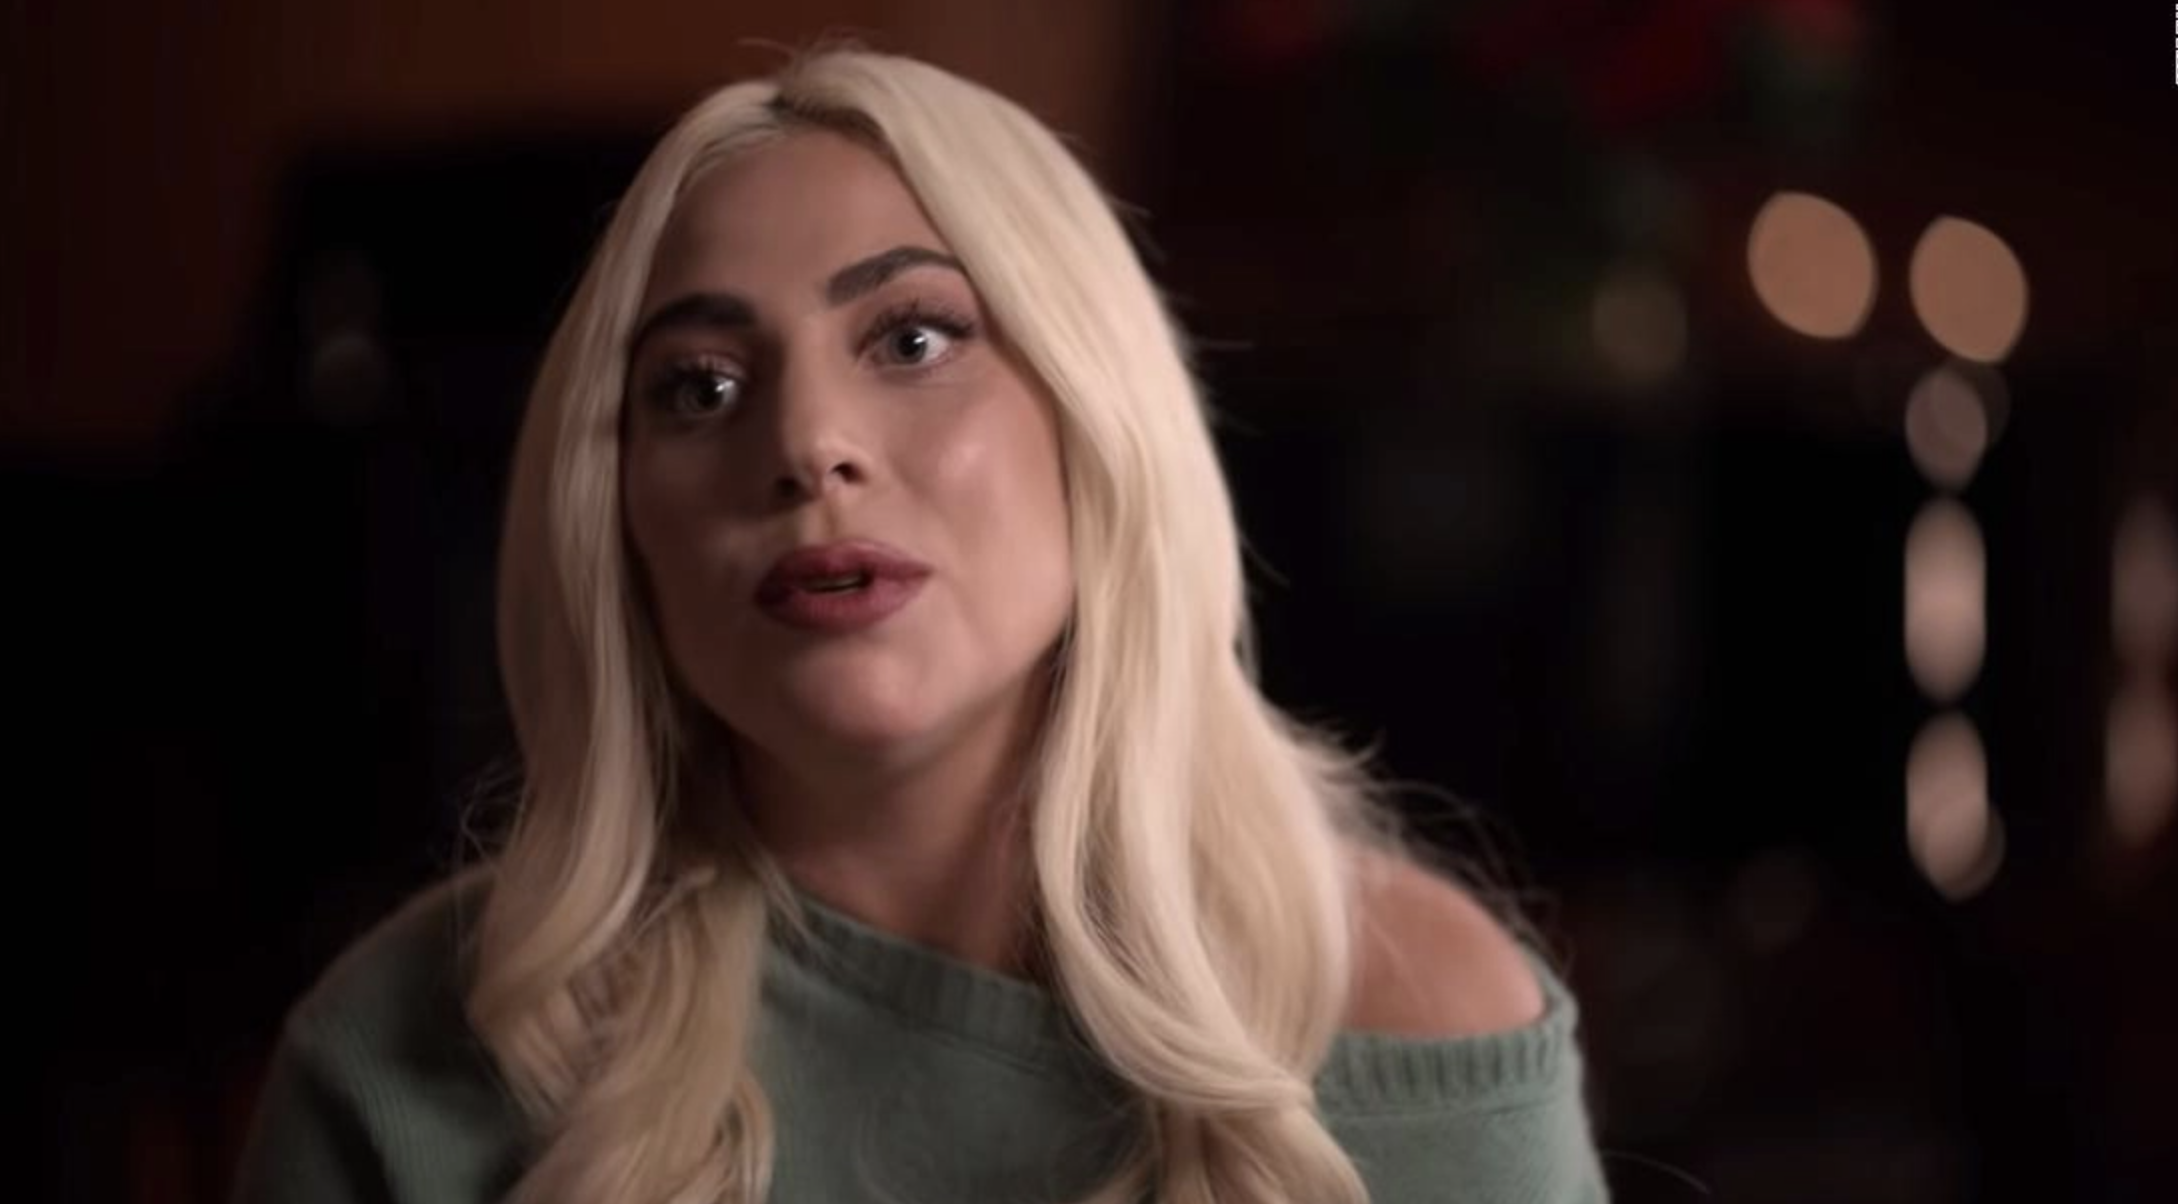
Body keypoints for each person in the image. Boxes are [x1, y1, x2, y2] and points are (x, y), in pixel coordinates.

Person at [229, 48, 1608, 1204]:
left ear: (1098, 411)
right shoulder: (404, 1062)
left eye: (911, 340)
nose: (806, 443)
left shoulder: (1418, 1020)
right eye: (701, 386)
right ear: (617, 519)